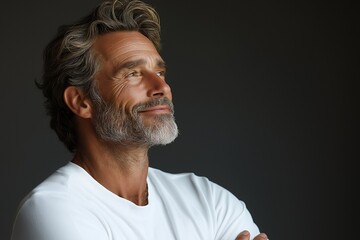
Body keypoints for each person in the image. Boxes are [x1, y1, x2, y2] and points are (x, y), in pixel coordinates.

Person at [11, 0, 268, 239]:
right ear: (81, 102)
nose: (161, 87)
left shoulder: (209, 200)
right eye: (132, 73)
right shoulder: (52, 208)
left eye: (160, 71)